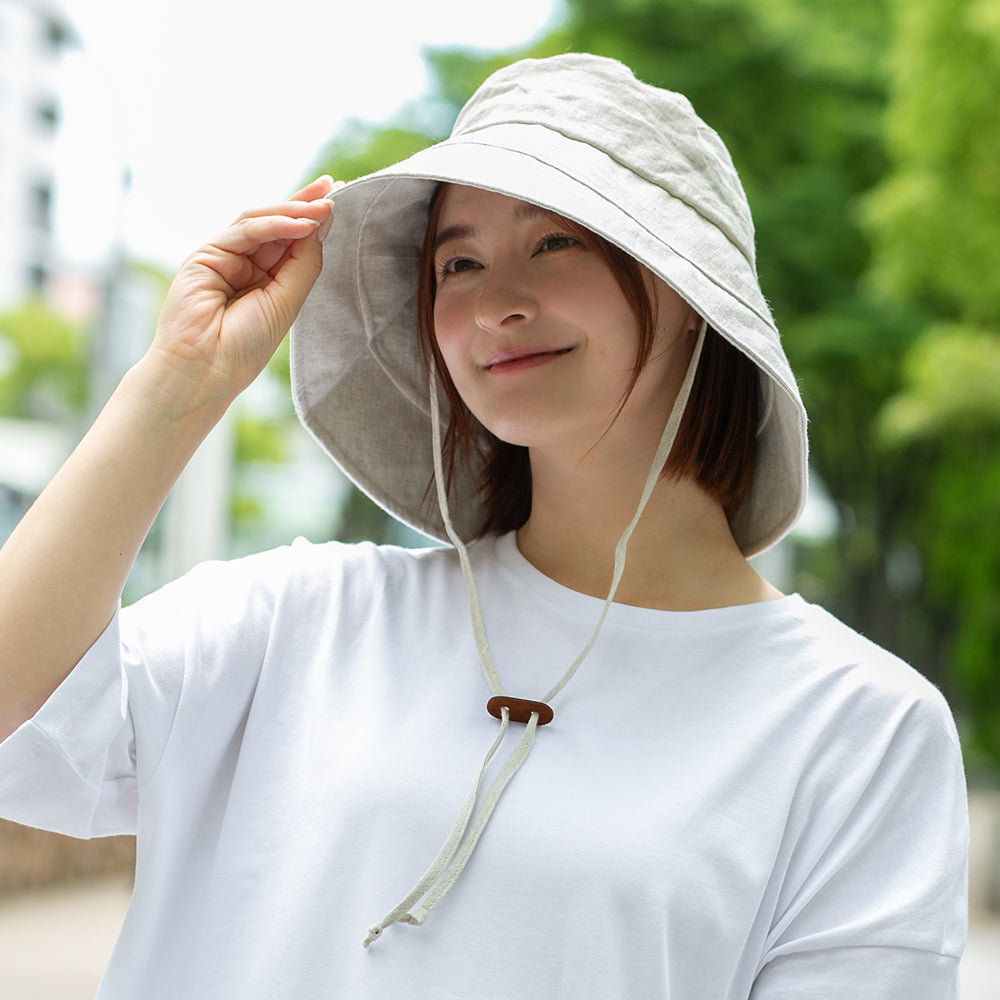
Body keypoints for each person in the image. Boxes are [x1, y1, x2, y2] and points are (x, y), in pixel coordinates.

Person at [0, 53, 967, 998]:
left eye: (556, 242)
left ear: (685, 292)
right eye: (456, 263)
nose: (494, 304)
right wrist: (177, 387)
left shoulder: (862, 730)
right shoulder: (302, 619)